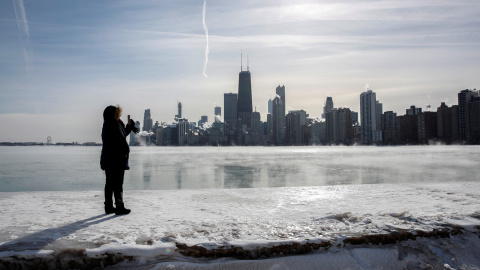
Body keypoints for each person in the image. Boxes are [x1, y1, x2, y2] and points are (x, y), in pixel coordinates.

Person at [100, 105, 139, 215]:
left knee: (110, 183)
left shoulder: (109, 123)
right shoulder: (114, 124)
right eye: (118, 113)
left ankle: (108, 206)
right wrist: (129, 127)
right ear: (114, 114)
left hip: (110, 158)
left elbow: (120, 136)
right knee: (117, 183)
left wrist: (128, 127)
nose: (120, 114)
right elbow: (120, 138)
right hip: (116, 158)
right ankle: (119, 206)